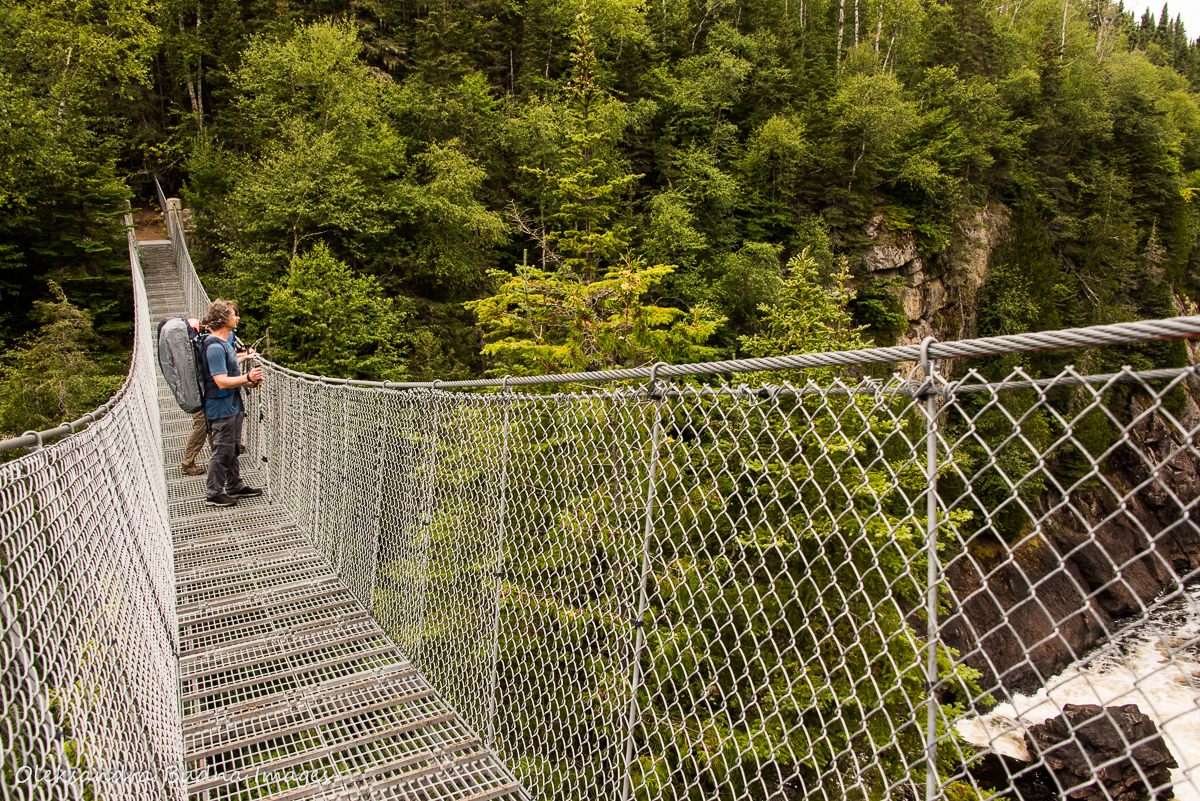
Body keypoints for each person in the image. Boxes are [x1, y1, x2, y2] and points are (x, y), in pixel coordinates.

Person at [199, 299, 264, 507]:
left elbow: (232, 372)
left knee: (233, 447)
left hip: (233, 404)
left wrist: (250, 381)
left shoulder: (225, 344)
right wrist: (247, 378)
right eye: (233, 314)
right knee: (222, 449)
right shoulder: (215, 348)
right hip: (221, 407)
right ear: (223, 318)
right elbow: (220, 381)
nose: (237, 317)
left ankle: (235, 485)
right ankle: (214, 493)